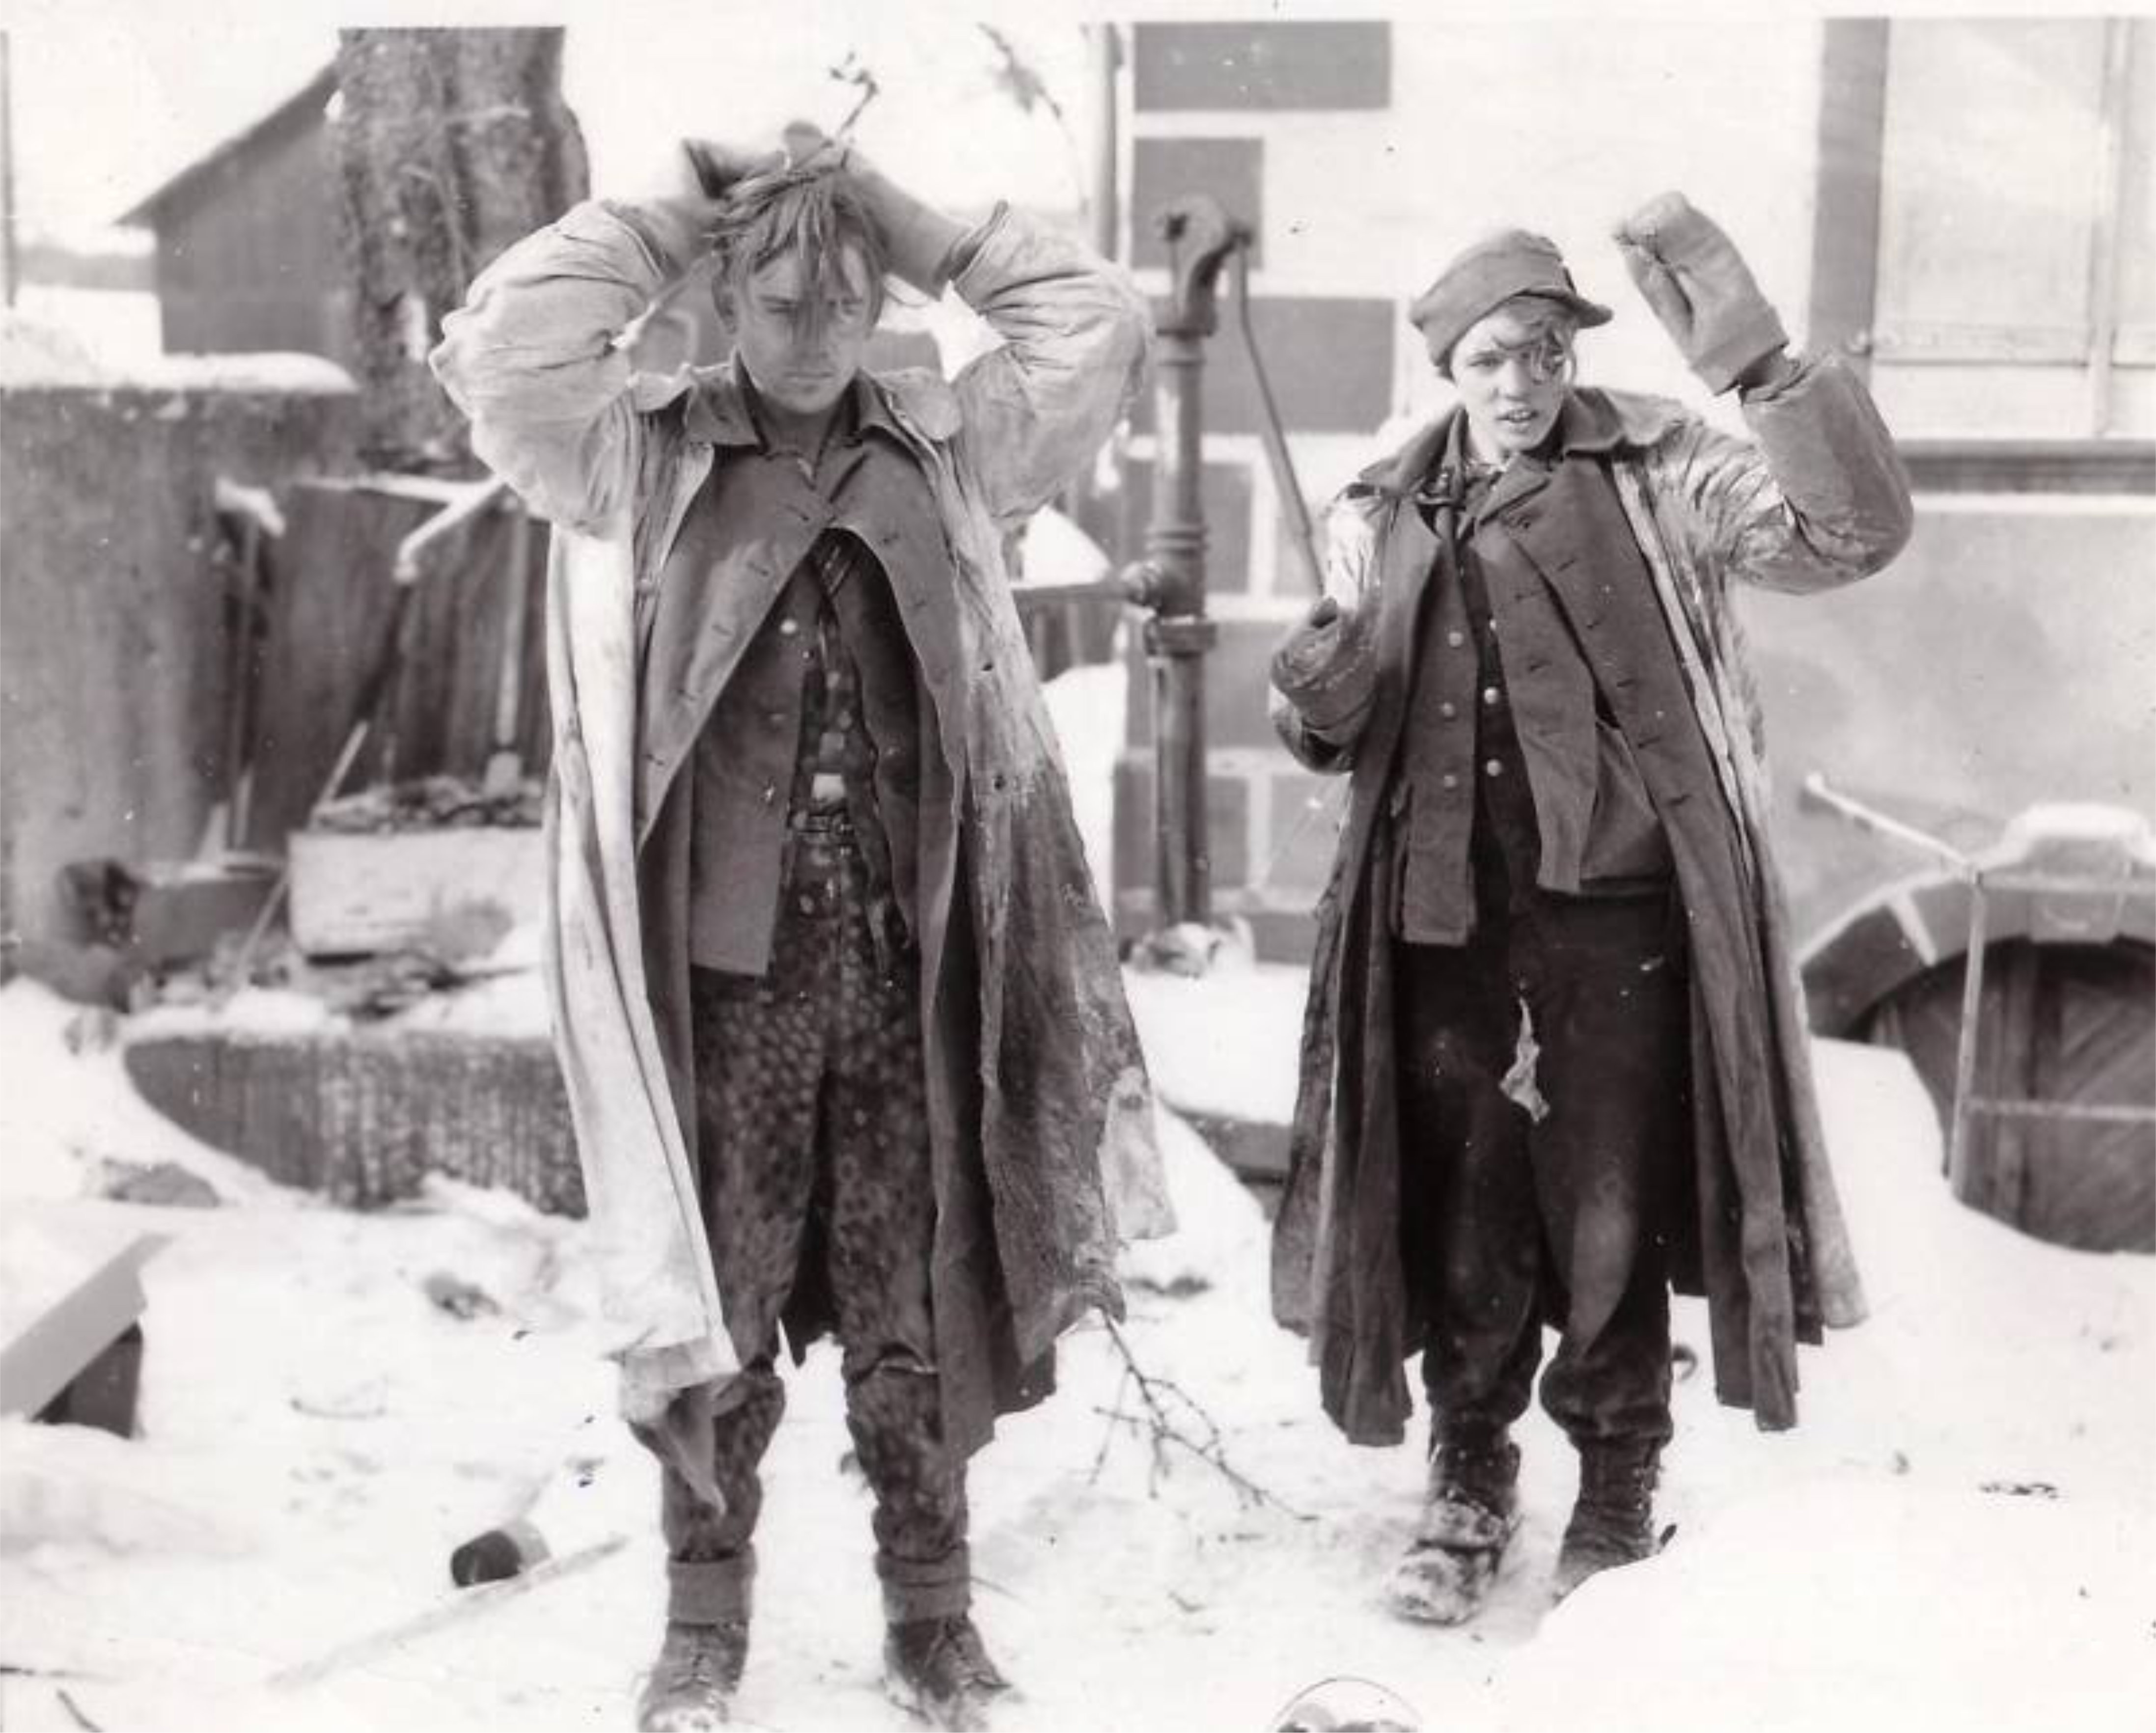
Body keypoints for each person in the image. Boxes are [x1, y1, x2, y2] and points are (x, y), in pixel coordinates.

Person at [432, 124, 1166, 1732]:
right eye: (775, 292)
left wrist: (912, 214)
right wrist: (676, 213)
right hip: (726, 975)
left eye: (848, 289)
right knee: (724, 1304)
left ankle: (931, 1618)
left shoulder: (946, 446)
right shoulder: (643, 456)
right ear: (722, 298)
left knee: (914, 1294)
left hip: (907, 965)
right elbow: (498, 350)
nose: (816, 326)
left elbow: (1095, 324)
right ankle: (703, 1628)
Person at [1267, 193, 1911, 1624]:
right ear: (1449, 365)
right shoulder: (1377, 509)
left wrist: (1755, 362)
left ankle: (1619, 1472)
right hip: (1439, 920)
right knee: (1467, 1204)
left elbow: (1847, 530)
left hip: (1613, 918)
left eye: (1547, 350)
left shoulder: (1662, 469)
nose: (1523, 383)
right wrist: (1310, 695)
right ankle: (1472, 1467)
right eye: (1495, 356)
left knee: (1608, 1203)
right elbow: (1336, 720)